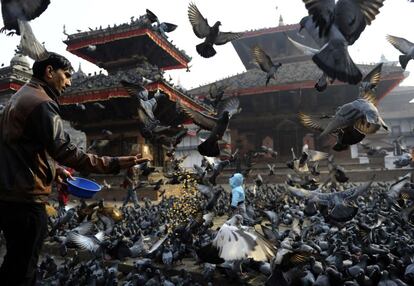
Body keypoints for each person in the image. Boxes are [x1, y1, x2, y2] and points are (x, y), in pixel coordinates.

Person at [0, 52, 149, 286]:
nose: (69, 82)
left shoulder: (17, 99)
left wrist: (54, 169)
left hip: (8, 197)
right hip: (27, 200)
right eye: (66, 75)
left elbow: (20, 149)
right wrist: (115, 163)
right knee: (24, 269)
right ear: (50, 72)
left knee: (14, 262)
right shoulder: (43, 103)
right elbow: (66, 151)